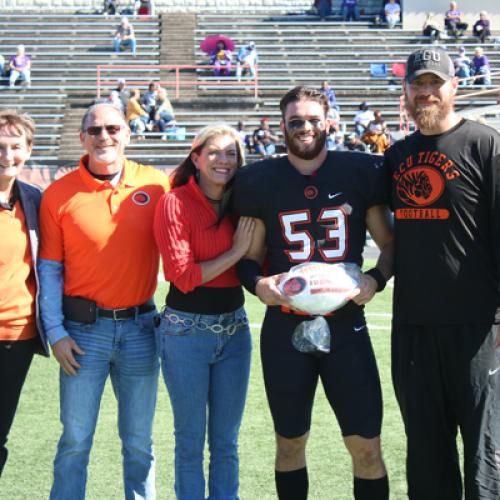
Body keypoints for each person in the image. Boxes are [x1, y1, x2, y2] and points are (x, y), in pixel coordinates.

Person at [233, 86, 393, 500]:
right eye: (295, 121)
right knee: (289, 444)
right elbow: (248, 258)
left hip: (345, 327)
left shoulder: (360, 171)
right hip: (285, 328)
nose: (305, 128)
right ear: (282, 126)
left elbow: (390, 244)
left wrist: (374, 279)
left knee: (367, 448)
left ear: (329, 122)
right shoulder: (258, 179)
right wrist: (259, 284)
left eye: (312, 120)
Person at [385, 46, 500, 500]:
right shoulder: (396, 156)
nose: (427, 92)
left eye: (436, 83)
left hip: (477, 327)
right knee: (426, 455)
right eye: (419, 84)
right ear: (407, 92)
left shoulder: (485, 143)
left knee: (484, 456)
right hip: (413, 327)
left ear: (454, 87)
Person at [38, 102, 169, 499]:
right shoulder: (58, 195)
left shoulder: (155, 185)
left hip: (141, 330)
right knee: (75, 440)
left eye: (113, 128)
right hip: (82, 333)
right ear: (82, 138)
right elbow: (49, 271)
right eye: (94, 130)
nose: (104, 137)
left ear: (128, 134)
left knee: (139, 443)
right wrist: (56, 332)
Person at [153, 123, 254, 500]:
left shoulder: (244, 200)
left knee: (226, 441)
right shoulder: (174, 202)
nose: (223, 160)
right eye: (214, 152)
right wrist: (234, 253)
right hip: (185, 334)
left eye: (231, 153)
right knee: (190, 440)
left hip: (235, 332)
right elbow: (182, 276)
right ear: (196, 158)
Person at [0, 110, 48, 478]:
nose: (6, 155)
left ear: (28, 150)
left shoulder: (35, 200)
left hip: (16, 336)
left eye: (15, 146)